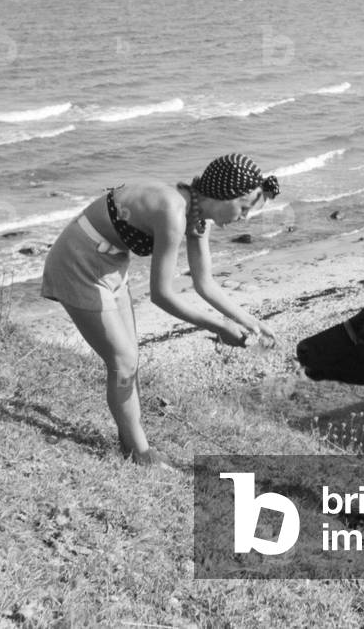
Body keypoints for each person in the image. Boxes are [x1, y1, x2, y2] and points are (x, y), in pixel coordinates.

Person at [41, 154, 279, 466]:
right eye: (244, 208)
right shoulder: (173, 211)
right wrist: (218, 327)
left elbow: (204, 282)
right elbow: (161, 295)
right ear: (225, 194)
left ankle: (132, 446)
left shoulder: (196, 216)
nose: (244, 218)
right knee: (123, 361)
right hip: (78, 262)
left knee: (129, 361)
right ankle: (142, 455)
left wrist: (249, 321)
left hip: (111, 265)